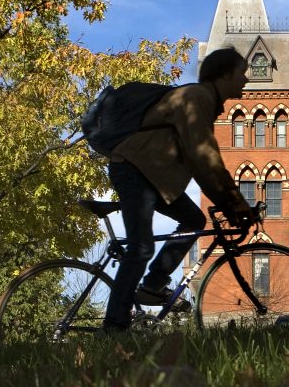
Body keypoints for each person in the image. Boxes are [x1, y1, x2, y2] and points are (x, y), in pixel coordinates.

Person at [102, 47, 253, 332]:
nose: (245, 80)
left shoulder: (204, 101)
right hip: (134, 169)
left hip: (150, 175)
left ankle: (152, 285)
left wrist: (229, 202)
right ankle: (113, 327)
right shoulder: (197, 97)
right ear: (224, 75)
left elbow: (199, 166)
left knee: (194, 220)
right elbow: (205, 157)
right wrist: (234, 202)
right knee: (141, 247)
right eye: (241, 73)